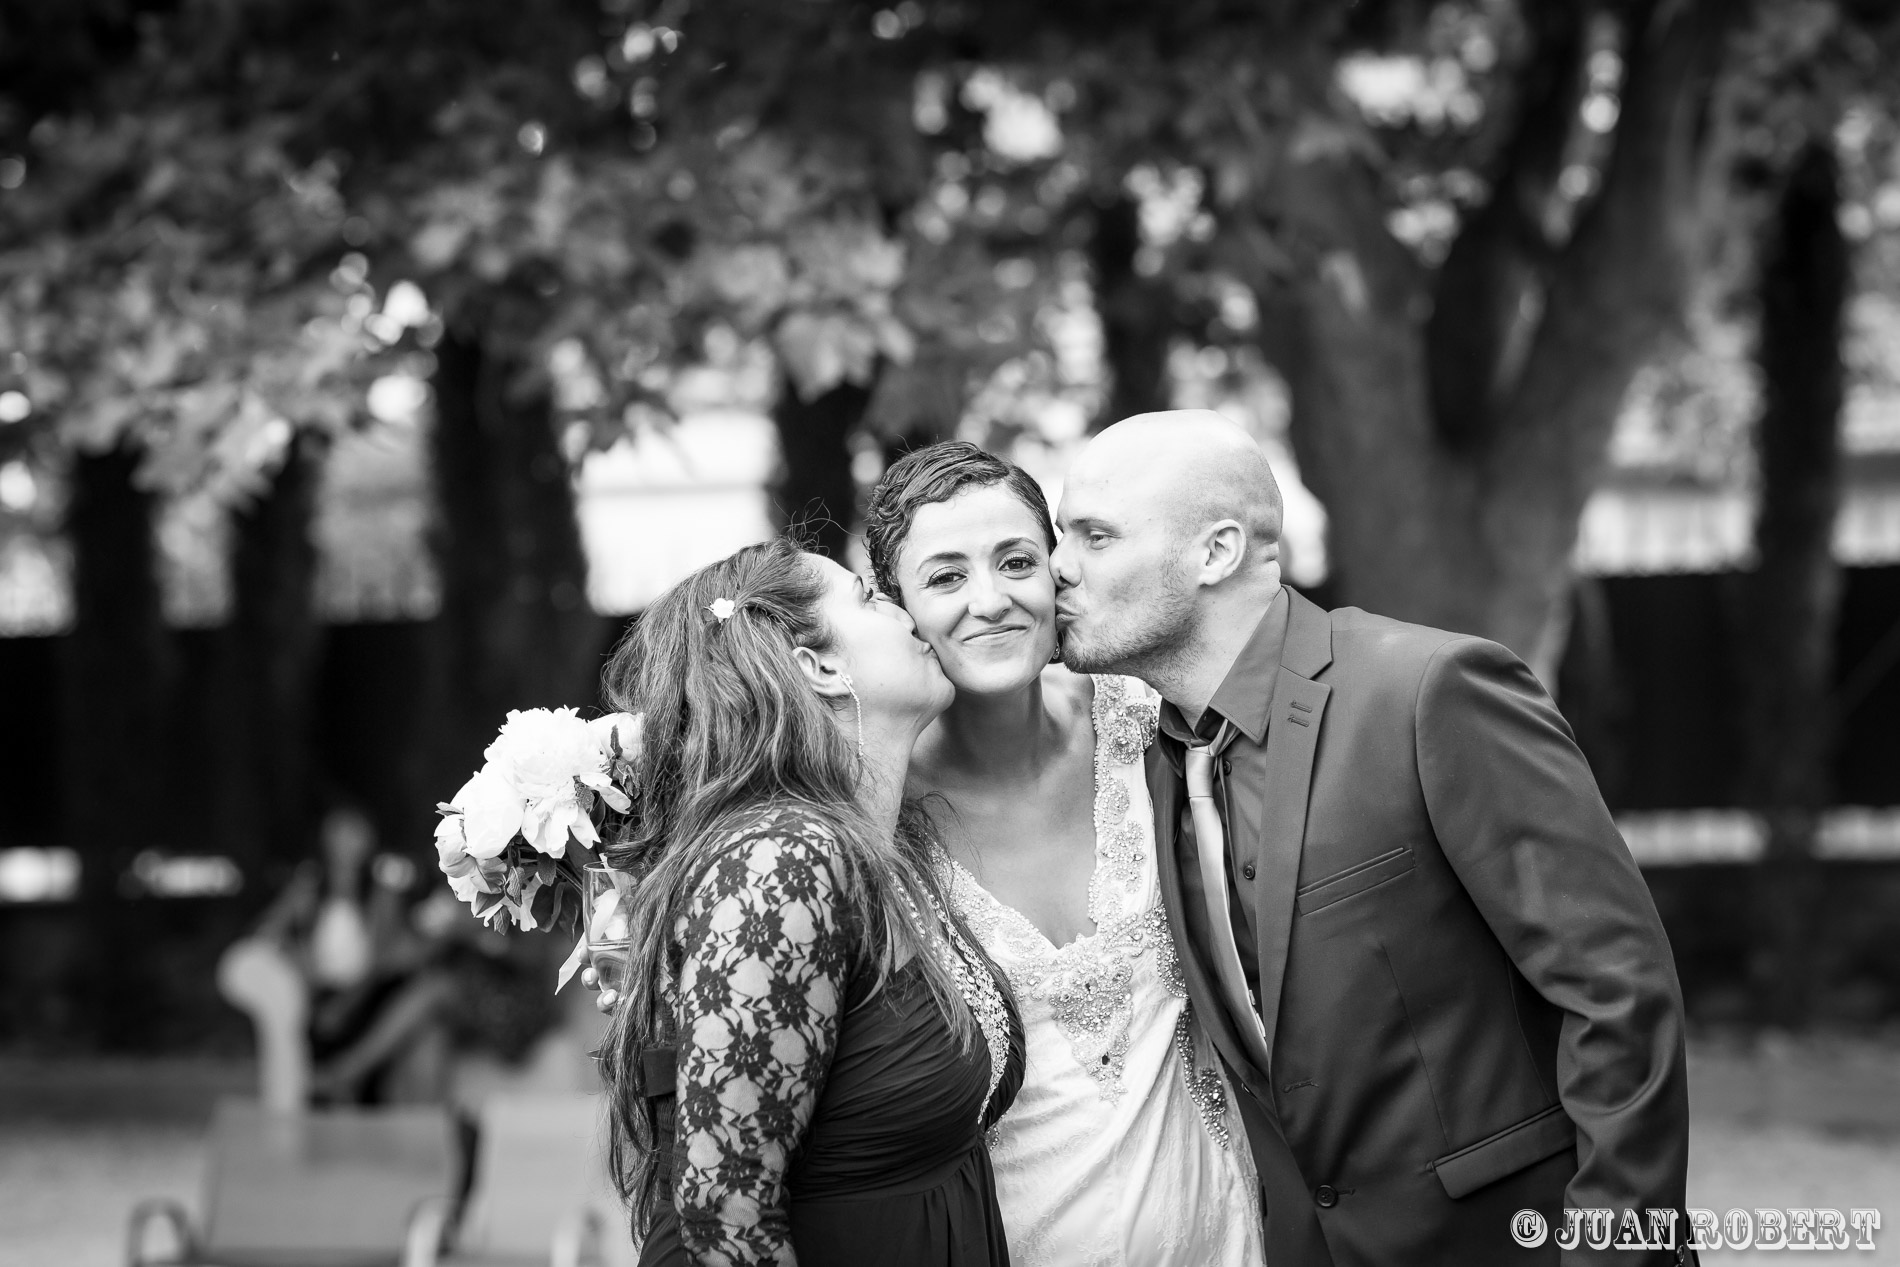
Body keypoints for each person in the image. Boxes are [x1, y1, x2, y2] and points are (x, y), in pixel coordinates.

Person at [1050, 410, 1694, 1266]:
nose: (1058, 566)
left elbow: (1618, 990)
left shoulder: (1428, 692)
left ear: (1217, 552)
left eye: (1095, 536)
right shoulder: (1149, 765)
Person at [862, 442, 1264, 1267]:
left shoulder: (1148, 723)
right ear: (897, 609)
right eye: (945, 577)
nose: (991, 600)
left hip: (1223, 1230)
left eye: (1017, 561)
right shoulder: (875, 812)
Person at [595, 537, 1025, 1267]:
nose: (904, 610)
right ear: (818, 665)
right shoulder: (784, 862)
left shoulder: (888, 850)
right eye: (869, 596)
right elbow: (724, 1217)